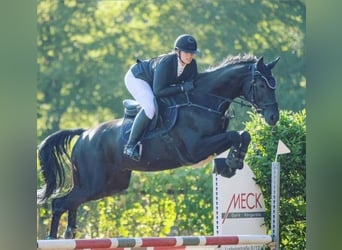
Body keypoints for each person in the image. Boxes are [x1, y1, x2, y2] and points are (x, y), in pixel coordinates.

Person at [123, 34, 200, 161]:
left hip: (156, 83)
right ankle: (130, 145)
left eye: (192, 52)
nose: (189, 55)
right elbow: (158, 91)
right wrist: (181, 88)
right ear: (177, 51)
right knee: (150, 107)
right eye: (186, 52)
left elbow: (192, 86)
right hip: (138, 78)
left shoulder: (191, 65)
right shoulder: (167, 62)